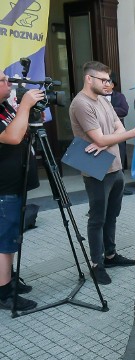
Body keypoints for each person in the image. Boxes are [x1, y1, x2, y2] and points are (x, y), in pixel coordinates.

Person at [69, 61, 135, 285]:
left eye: (108, 80)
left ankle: (110, 255)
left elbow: (118, 128)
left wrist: (104, 143)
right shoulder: (81, 104)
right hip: (95, 170)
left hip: (114, 166)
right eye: (103, 80)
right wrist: (116, 137)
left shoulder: (104, 99)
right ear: (89, 79)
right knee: (97, 218)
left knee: (112, 214)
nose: (108, 84)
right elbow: (110, 135)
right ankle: (97, 264)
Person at [0, 70, 44, 310]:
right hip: (3, 190)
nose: (9, 82)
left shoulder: (5, 107)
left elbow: (23, 128)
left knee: (11, 239)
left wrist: (29, 111)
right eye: (3, 79)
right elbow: (14, 137)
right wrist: (26, 105)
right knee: (4, 243)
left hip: (15, 185)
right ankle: (4, 293)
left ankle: (9, 279)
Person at [104, 73, 132, 195]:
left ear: (113, 85)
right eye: (103, 82)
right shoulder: (97, 96)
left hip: (118, 132)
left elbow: (124, 110)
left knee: (119, 158)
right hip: (103, 133)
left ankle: (121, 187)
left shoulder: (119, 96)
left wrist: (108, 110)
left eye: (108, 82)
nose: (105, 84)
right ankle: (106, 187)